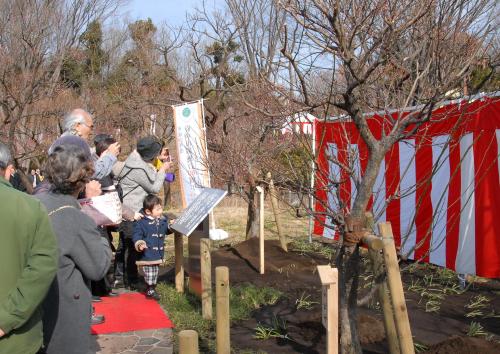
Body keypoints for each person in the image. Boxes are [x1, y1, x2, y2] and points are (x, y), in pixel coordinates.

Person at [35, 144, 111, 354]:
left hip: (34, 304)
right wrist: (96, 218)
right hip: (64, 309)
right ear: (82, 179)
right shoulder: (75, 217)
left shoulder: (34, 202)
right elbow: (98, 267)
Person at [0, 142, 58, 354]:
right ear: (8, 170)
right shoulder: (30, 207)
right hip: (17, 338)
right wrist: (6, 319)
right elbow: (42, 267)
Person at [114, 136, 171, 289]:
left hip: (128, 209)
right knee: (131, 247)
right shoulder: (138, 168)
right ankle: (129, 280)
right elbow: (154, 187)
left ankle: (119, 278)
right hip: (132, 212)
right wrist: (163, 170)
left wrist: (158, 162)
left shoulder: (135, 160)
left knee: (124, 245)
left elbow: (151, 175)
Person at [50, 108, 120, 180]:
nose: (91, 131)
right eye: (91, 127)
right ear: (77, 126)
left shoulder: (61, 141)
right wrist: (110, 155)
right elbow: (91, 173)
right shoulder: (74, 144)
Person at [132, 194, 172, 300]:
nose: (160, 211)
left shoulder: (161, 220)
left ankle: (151, 287)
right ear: (148, 211)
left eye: (160, 208)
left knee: (155, 271)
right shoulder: (141, 223)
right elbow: (137, 235)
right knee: (150, 272)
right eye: (157, 209)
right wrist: (140, 244)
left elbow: (165, 231)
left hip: (157, 253)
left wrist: (170, 227)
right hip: (147, 253)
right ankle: (150, 289)